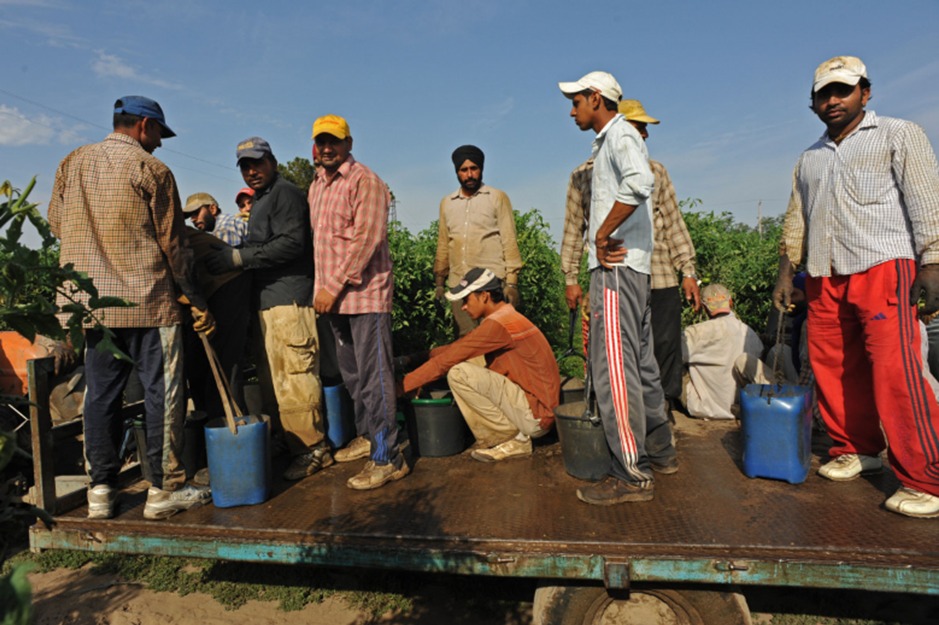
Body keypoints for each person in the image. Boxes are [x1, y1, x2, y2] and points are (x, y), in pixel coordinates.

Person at [774, 55, 939, 518]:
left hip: (883, 265)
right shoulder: (809, 158)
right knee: (833, 366)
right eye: (823, 94)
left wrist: (934, 261)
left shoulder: (898, 134)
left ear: (864, 93)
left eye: (842, 91)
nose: (832, 101)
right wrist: (787, 273)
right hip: (826, 274)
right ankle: (856, 449)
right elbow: (797, 218)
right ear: (812, 104)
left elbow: (926, 199)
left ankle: (927, 479)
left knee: (896, 372)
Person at [48, 95, 212, 520]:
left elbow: (56, 223)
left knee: (101, 395)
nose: (159, 143)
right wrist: (193, 297)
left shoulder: (73, 162)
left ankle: (100, 491)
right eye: (158, 133)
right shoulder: (151, 169)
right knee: (164, 393)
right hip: (147, 303)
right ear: (143, 125)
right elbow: (173, 244)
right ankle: (162, 491)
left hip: (92, 309)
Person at [558, 71, 677, 506]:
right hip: (637, 270)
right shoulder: (615, 139)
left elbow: (640, 184)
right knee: (643, 366)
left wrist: (602, 234)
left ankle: (630, 473)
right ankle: (661, 451)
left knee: (613, 372)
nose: (572, 111)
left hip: (615, 270)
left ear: (596, 98)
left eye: (576, 102)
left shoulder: (619, 136)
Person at [205, 136, 328, 481]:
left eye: (257, 163)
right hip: (268, 300)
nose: (251, 171)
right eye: (245, 166)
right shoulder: (261, 200)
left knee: (296, 375)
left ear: (272, 161)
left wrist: (239, 257)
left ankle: (312, 448)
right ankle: (289, 442)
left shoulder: (286, 193)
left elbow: (292, 243)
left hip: (289, 297)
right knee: (274, 379)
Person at [308, 114, 408, 490]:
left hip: (364, 296)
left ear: (349, 144)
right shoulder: (317, 185)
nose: (328, 148)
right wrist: (326, 291)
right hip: (334, 301)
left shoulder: (365, 180)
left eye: (335, 141)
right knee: (353, 376)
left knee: (374, 377)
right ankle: (368, 437)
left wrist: (331, 287)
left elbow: (367, 240)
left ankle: (388, 458)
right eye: (322, 142)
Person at [401, 268, 560, 461]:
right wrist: (413, 359)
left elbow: (446, 361)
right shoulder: (504, 317)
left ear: (484, 296)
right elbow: (457, 348)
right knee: (469, 358)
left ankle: (510, 438)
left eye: (466, 300)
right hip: (540, 409)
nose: (463, 307)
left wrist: (401, 387)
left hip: (536, 416)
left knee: (459, 372)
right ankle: (510, 432)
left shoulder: (499, 324)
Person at [619, 99, 701, 412]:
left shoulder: (657, 172)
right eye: (640, 128)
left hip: (662, 272)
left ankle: (664, 404)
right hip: (624, 274)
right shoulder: (598, 172)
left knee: (665, 343)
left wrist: (688, 272)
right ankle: (635, 406)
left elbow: (673, 222)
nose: (645, 135)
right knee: (628, 345)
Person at [434, 145, 523, 337]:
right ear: (457, 172)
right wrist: (439, 283)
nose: (469, 175)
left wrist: (512, 284)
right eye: (463, 170)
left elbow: (509, 240)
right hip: (460, 285)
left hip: (490, 285)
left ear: (481, 169)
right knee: (467, 341)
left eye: (474, 169)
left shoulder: (496, 198)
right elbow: (443, 244)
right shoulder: (447, 203)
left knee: (494, 338)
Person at [681, 284, 764, 420]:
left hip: (701, 407)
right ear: (730, 302)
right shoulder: (750, 334)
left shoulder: (695, 332)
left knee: (672, 359)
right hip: (738, 408)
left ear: (704, 306)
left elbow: (673, 357)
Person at [183, 192, 248, 246]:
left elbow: (228, 260)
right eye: (190, 215)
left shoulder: (224, 227)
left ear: (213, 209)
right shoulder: (227, 222)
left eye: (196, 213)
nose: (192, 219)